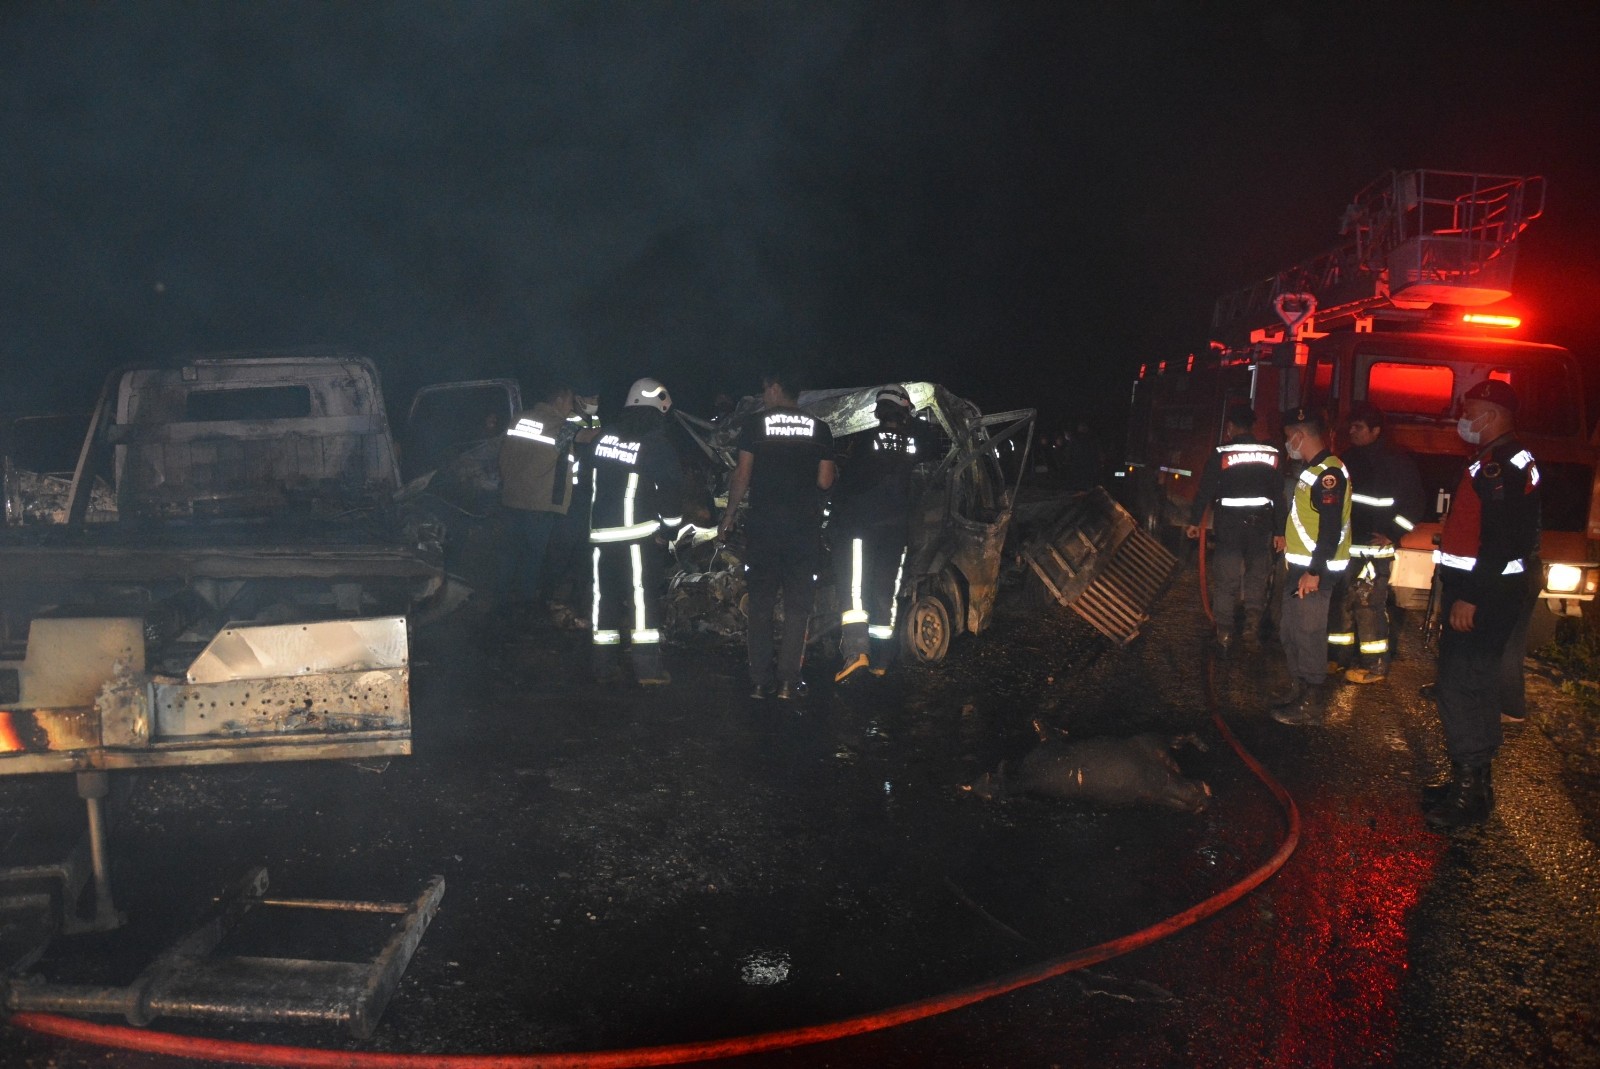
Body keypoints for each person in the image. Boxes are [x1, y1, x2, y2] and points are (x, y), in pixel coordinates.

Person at [1423, 379, 1541, 830]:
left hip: (1483, 592)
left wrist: (1471, 595)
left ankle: (1468, 795)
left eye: (1469, 411)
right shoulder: (1508, 459)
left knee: (1460, 686)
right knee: (1478, 683)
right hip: (1491, 590)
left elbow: (1502, 540)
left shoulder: (1500, 466)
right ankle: (1473, 785)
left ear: (1490, 415)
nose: (1463, 420)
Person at [717, 371, 835, 700]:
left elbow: (742, 474)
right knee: (798, 607)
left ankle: (759, 681)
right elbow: (825, 481)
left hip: (764, 529)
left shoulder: (755, 426)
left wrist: (728, 516)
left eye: (765, 388)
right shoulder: (820, 429)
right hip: (802, 532)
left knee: (761, 606)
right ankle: (787, 682)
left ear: (776, 387)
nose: (763, 394)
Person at [829, 384, 935, 682]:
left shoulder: (867, 441)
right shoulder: (913, 444)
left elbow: (848, 485)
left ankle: (856, 654)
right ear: (904, 411)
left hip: (861, 528)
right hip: (896, 532)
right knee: (884, 592)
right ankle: (881, 660)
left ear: (879, 411)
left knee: (854, 591)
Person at [587, 378, 683, 685]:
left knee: (604, 598)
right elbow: (671, 490)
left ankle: (603, 666)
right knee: (641, 600)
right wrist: (668, 532)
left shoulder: (604, 437)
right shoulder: (655, 443)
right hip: (635, 537)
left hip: (601, 535)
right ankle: (647, 669)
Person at [1327, 403, 1424, 684]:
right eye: (1352, 426)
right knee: (1340, 603)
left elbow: (1415, 504)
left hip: (1374, 552)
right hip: (1346, 548)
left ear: (1376, 431)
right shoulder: (1348, 458)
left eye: (1358, 427)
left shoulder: (1397, 463)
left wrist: (1392, 534)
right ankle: (1338, 658)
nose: (1352, 431)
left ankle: (1375, 666)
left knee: (1369, 607)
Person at [1270, 407, 1351, 726]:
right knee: (1289, 632)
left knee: (1308, 634)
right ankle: (1299, 690)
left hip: (1316, 573)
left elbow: (1330, 529)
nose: (1288, 443)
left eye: (1289, 437)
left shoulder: (1329, 473)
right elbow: (1308, 518)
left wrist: (1315, 571)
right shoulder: (1312, 469)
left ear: (1301, 435)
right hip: (1300, 568)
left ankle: (1311, 704)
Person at [1184, 404, 1282, 652]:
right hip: (1261, 527)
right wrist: (1280, 531)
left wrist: (1195, 522)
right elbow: (1279, 496)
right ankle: (1251, 630)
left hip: (1230, 528)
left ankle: (1225, 632)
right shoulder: (1271, 454)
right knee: (1257, 578)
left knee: (1227, 578)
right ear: (1252, 427)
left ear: (1231, 427)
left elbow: (1205, 490)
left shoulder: (1221, 453)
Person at [498, 383, 579, 620]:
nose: (572, 407)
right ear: (560, 399)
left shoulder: (519, 419)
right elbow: (589, 436)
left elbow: (504, 454)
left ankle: (501, 604)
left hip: (511, 499)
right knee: (533, 557)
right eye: (571, 401)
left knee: (510, 554)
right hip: (539, 504)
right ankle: (525, 609)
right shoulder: (563, 427)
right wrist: (591, 413)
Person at [546, 384, 604, 630]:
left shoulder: (595, 420)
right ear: (578, 399)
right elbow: (579, 441)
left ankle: (580, 603)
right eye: (591, 396)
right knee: (563, 548)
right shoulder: (568, 420)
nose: (595, 400)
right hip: (568, 495)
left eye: (597, 396)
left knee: (584, 551)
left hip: (587, 495)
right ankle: (548, 599)